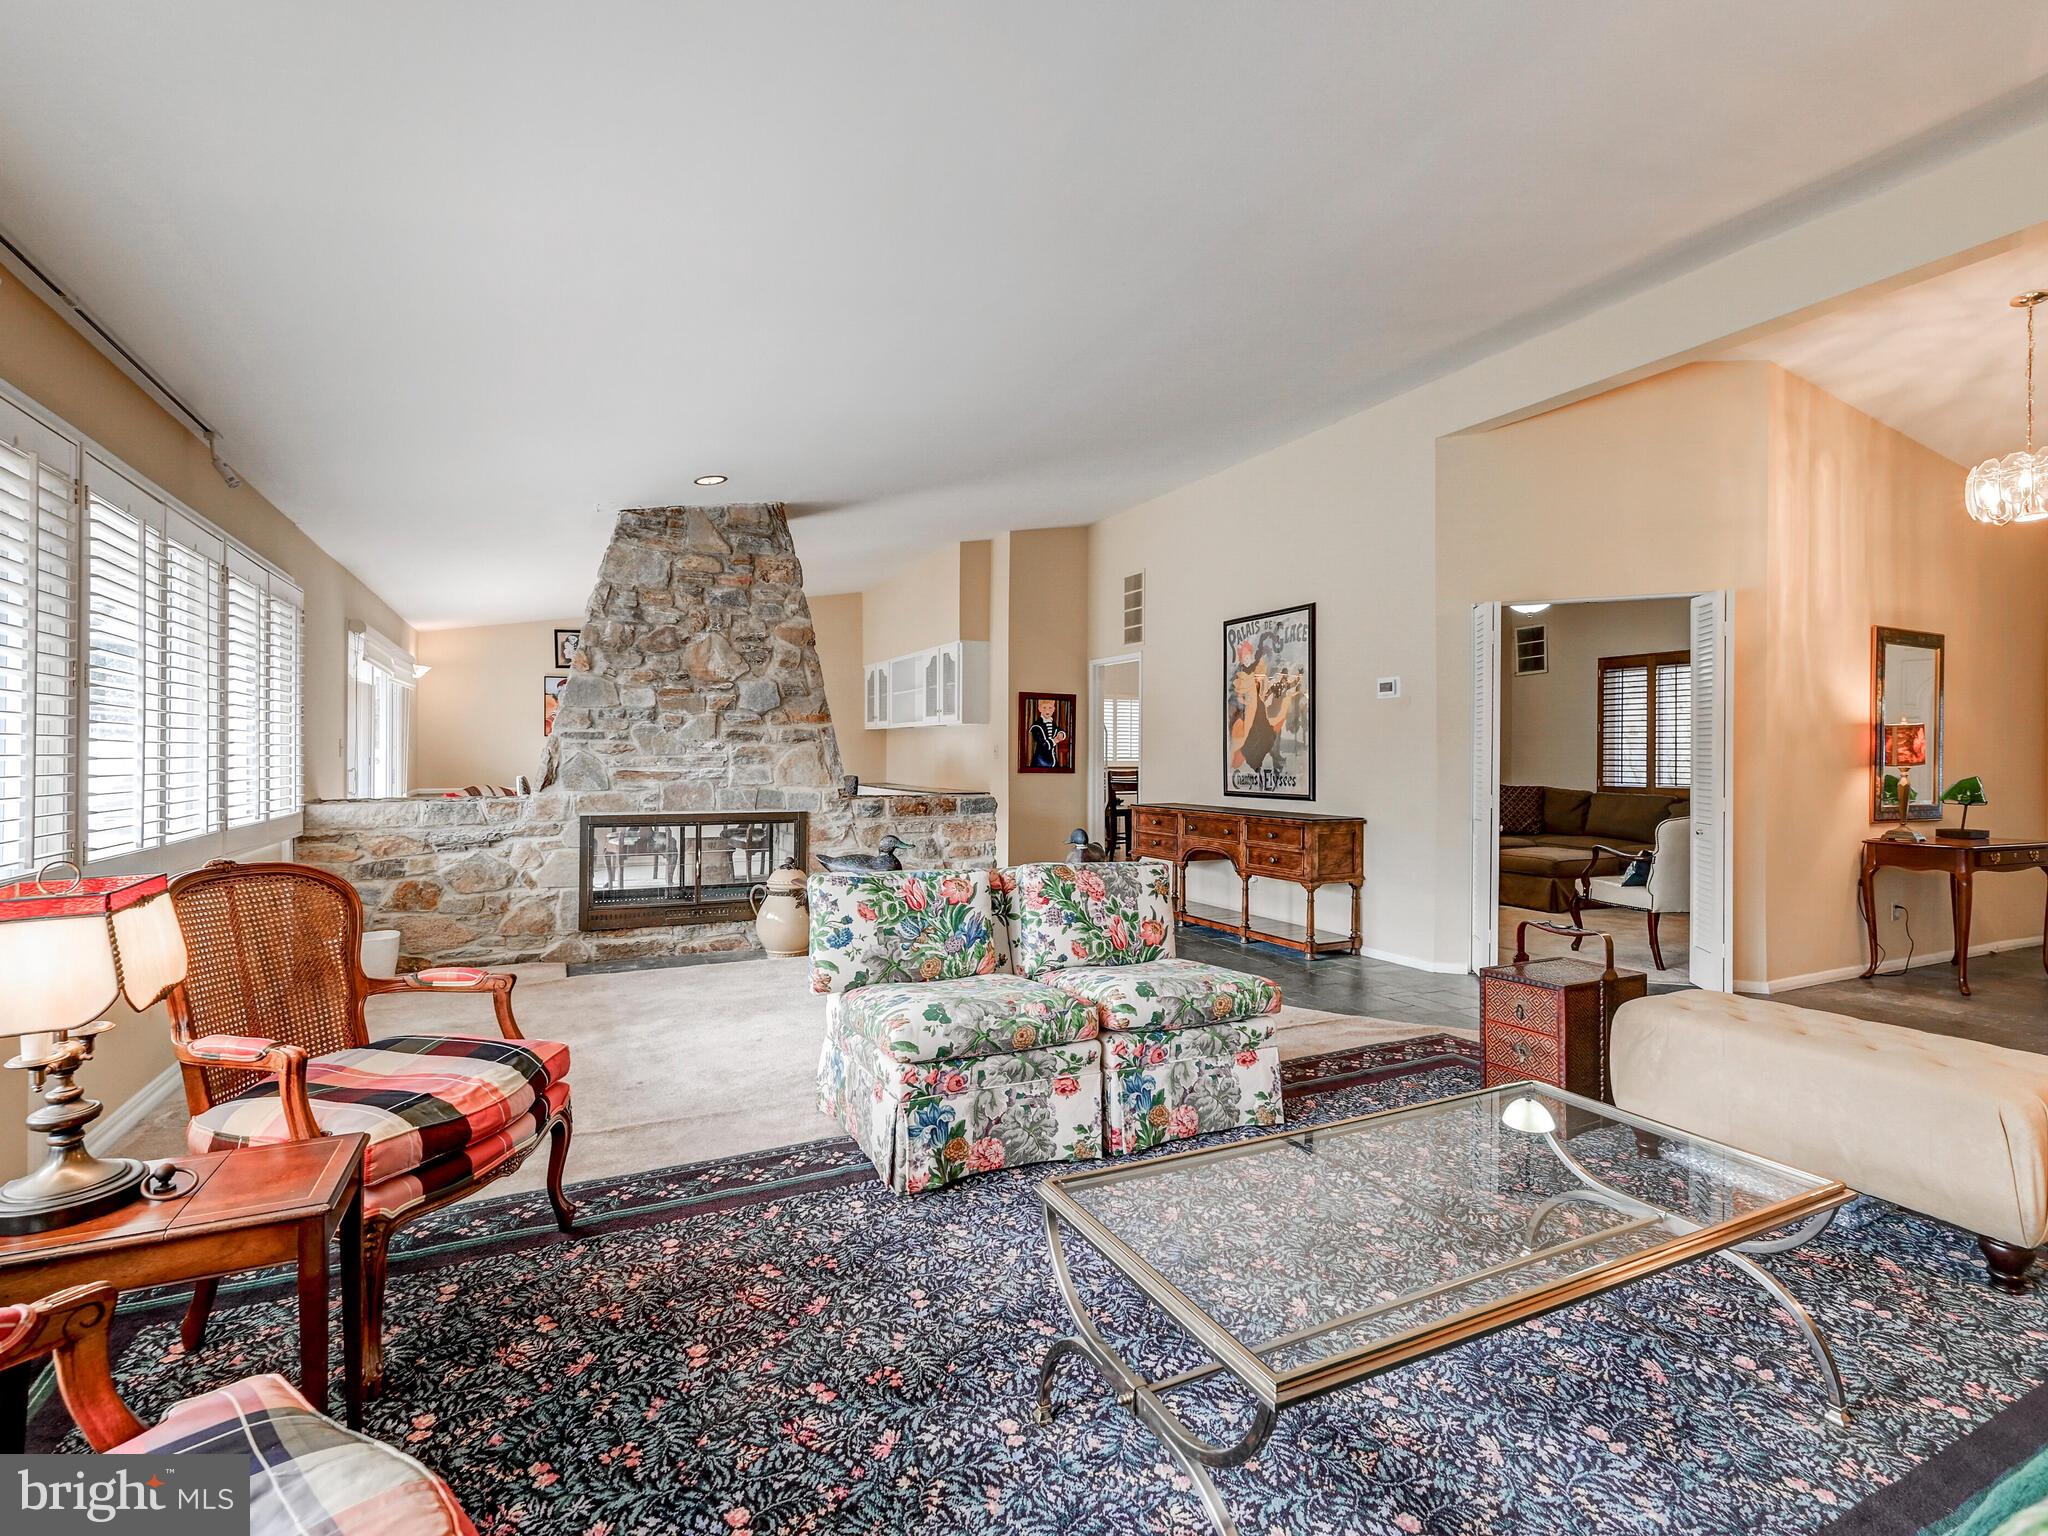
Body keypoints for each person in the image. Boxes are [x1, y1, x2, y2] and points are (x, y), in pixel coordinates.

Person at [1028, 697, 1069, 769]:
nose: (1047, 710)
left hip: (1053, 760)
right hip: (1041, 760)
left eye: (1050, 708)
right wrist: (1055, 740)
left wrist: (1061, 734)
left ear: (1053, 709)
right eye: (1044, 707)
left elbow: (1058, 730)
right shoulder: (1036, 726)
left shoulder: (1053, 723)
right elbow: (1043, 744)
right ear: (1039, 709)